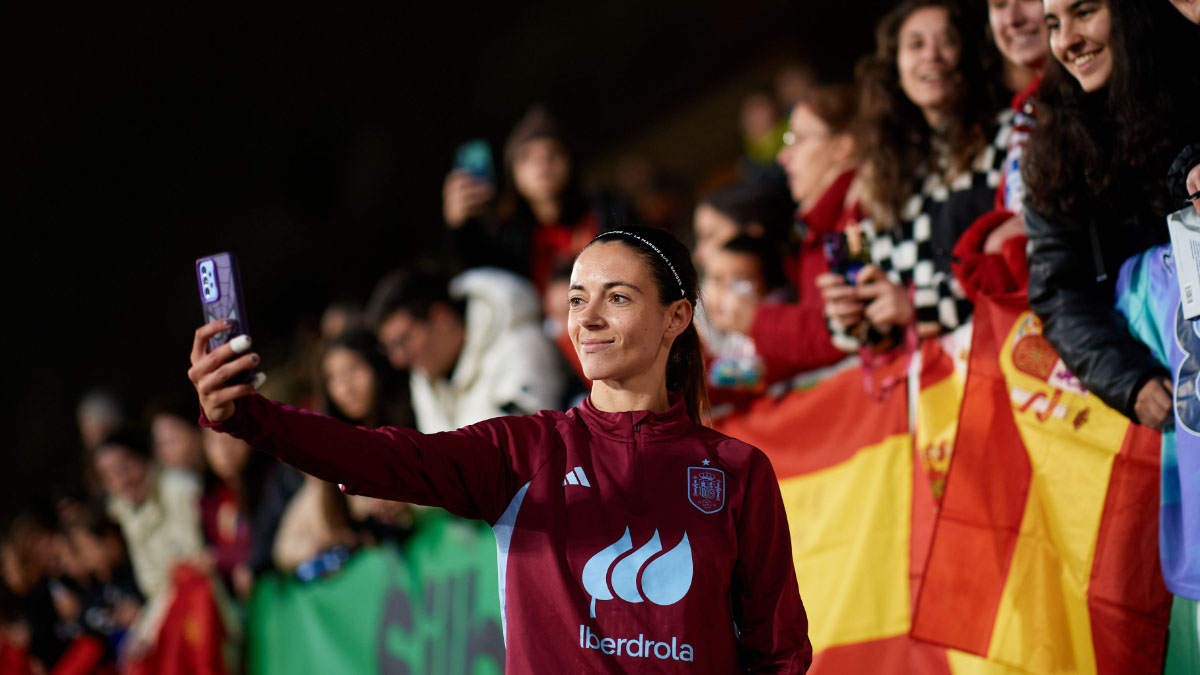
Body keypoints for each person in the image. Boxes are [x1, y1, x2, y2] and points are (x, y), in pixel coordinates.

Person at [188, 226, 812, 672]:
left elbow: (778, 651)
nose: (587, 317)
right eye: (576, 299)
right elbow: (376, 456)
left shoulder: (736, 471)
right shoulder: (526, 449)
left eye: (617, 297)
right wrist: (253, 419)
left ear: (677, 318)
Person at [1022, 0, 1200, 427]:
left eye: (1084, 13)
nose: (1067, 41)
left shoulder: (1194, 88)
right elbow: (1060, 291)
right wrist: (1131, 382)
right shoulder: (1053, 145)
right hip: (1176, 408)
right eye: (1053, 24)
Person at [820, 0, 1008, 349]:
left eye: (947, 41)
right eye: (916, 44)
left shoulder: (1008, 138)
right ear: (895, 68)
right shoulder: (892, 170)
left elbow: (1019, 268)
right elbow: (877, 315)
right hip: (938, 389)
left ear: (968, 57)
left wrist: (915, 307)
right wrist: (850, 315)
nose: (931, 55)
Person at [442, 106, 630, 293]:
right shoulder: (508, 238)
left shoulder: (610, 211)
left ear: (571, 162)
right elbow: (477, 276)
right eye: (526, 156)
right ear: (512, 173)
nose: (542, 162)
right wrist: (461, 228)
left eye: (554, 152)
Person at [367, 266, 566, 432]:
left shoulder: (521, 343)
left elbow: (526, 447)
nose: (397, 359)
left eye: (403, 341)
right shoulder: (423, 377)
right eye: (389, 348)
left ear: (440, 317)